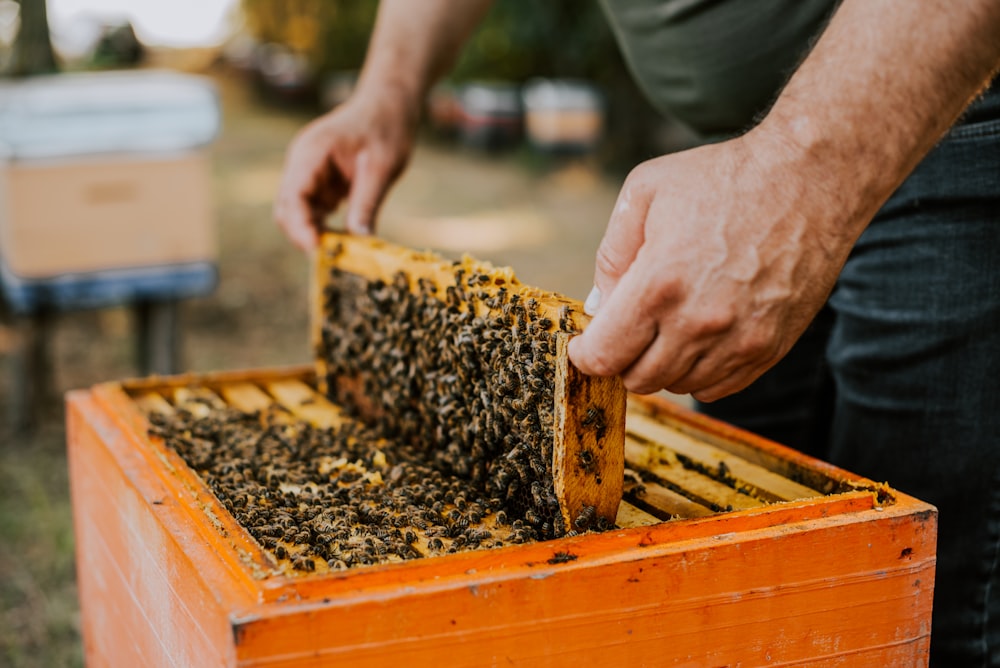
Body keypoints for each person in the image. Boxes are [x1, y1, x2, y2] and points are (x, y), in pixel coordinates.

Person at [274, 1, 1000, 663]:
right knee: (769, 615)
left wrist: (799, 169)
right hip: (734, 157)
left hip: (947, 115)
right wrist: (386, 91)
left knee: (928, 602)